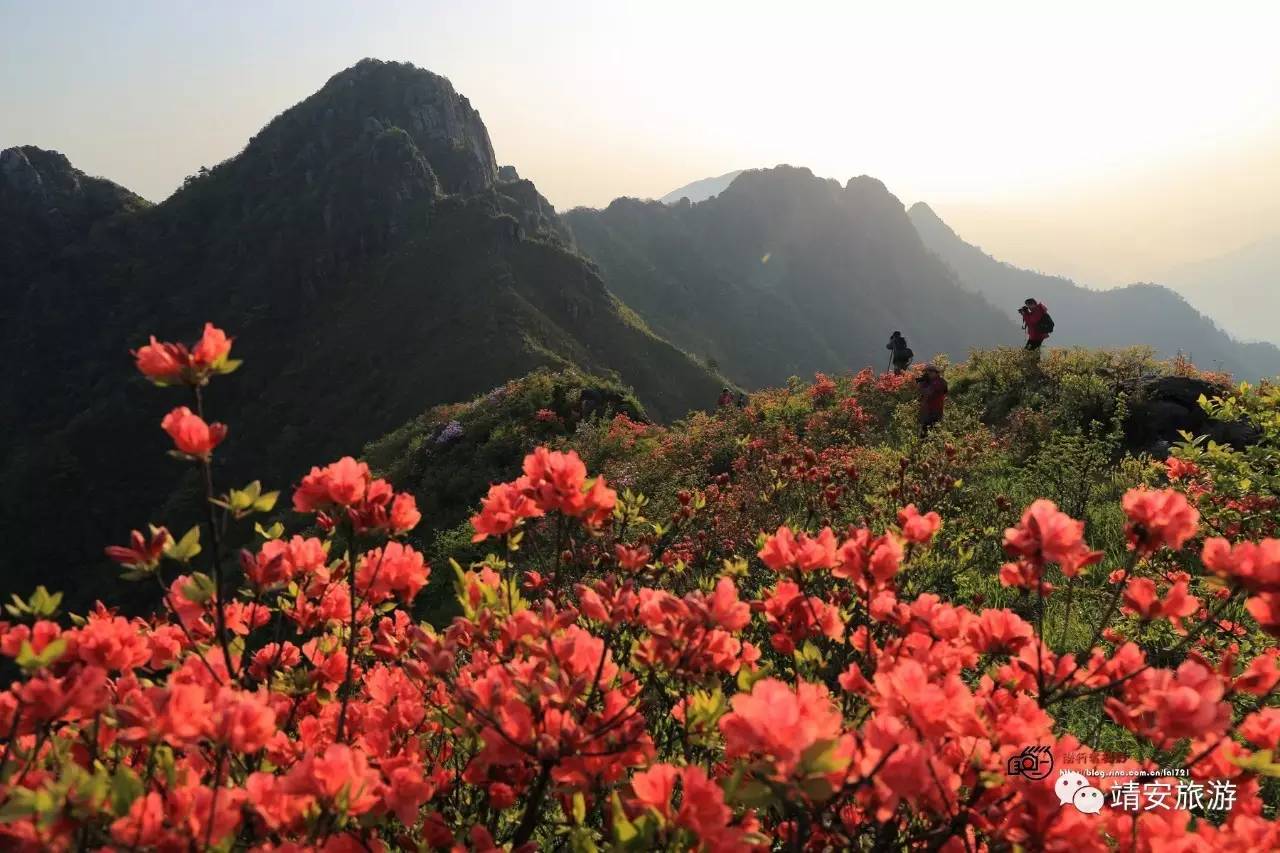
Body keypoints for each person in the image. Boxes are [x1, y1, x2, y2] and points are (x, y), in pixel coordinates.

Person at [916, 364, 948, 436]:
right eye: (926, 372)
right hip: (926, 412)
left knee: (931, 434)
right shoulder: (927, 382)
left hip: (935, 412)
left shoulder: (939, 382)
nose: (928, 373)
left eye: (930, 371)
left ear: (936, 373)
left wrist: (920, 386)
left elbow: (929, 392)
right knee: (924, 434)